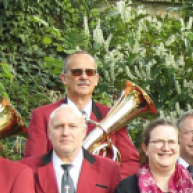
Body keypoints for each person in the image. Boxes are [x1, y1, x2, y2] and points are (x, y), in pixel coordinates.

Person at [23, 50, 140, 178]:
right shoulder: (42, 115)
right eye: (77, 72)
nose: (84, 77)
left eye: (89, 72)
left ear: (96, 79)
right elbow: (33, 164)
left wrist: (108, 185)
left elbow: (131, 163)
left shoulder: (112, 116)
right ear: (64, 78)